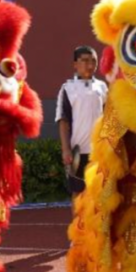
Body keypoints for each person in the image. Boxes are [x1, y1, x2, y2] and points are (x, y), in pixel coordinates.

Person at [56, 46, 108, 193]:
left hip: (99, 152)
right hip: (77, 152)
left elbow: (109, 117)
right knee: (79, 196)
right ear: (75, 64)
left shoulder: (102, 87)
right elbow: (63, 121)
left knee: (99, 194)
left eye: (94, 61)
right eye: (85, 61)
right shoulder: (67, 88)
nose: (90, 65)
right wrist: (66, 149)